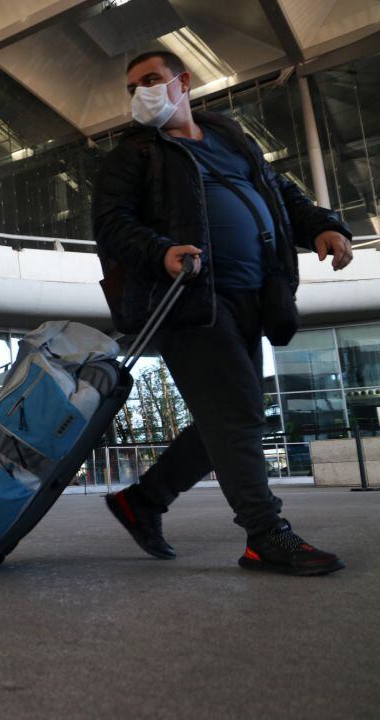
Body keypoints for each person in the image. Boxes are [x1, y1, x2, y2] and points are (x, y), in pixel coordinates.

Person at [92, 51, 354, 576]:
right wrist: (160, 249)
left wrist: (322, 225)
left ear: (182, 82)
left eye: (151, 80)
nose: (140, 92)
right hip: (188, 302)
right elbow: (111, 224)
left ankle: (143, 500)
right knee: (236, 416)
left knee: (233, 417)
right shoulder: (134, 155)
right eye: (132, 87)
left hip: (251, 298)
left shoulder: (229, 137)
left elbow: (279, 194)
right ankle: (264, 534)